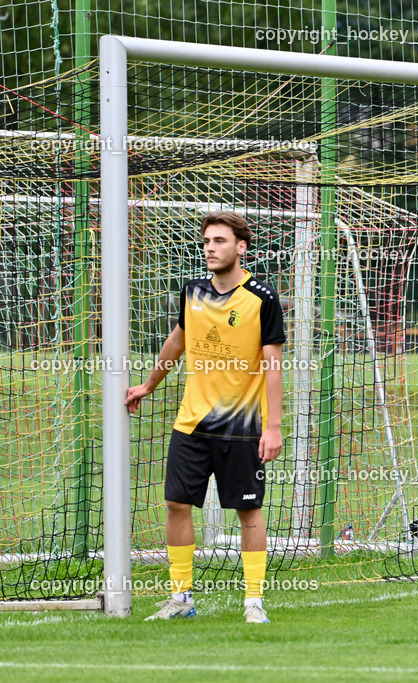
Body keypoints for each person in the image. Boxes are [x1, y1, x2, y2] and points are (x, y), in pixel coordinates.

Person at [125, 210, 286, 623]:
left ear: (240, 247)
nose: (210, 249)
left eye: (219, 241)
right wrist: (148, 384)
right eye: (206, 242)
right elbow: (177, 340)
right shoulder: (192, 292)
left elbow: (273, 365)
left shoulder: (262, 299)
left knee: (248, 511)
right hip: (191, 423)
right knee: (176, 503)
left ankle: (254, 602)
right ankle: (181, 598)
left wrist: (273, 427)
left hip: (243, 428)